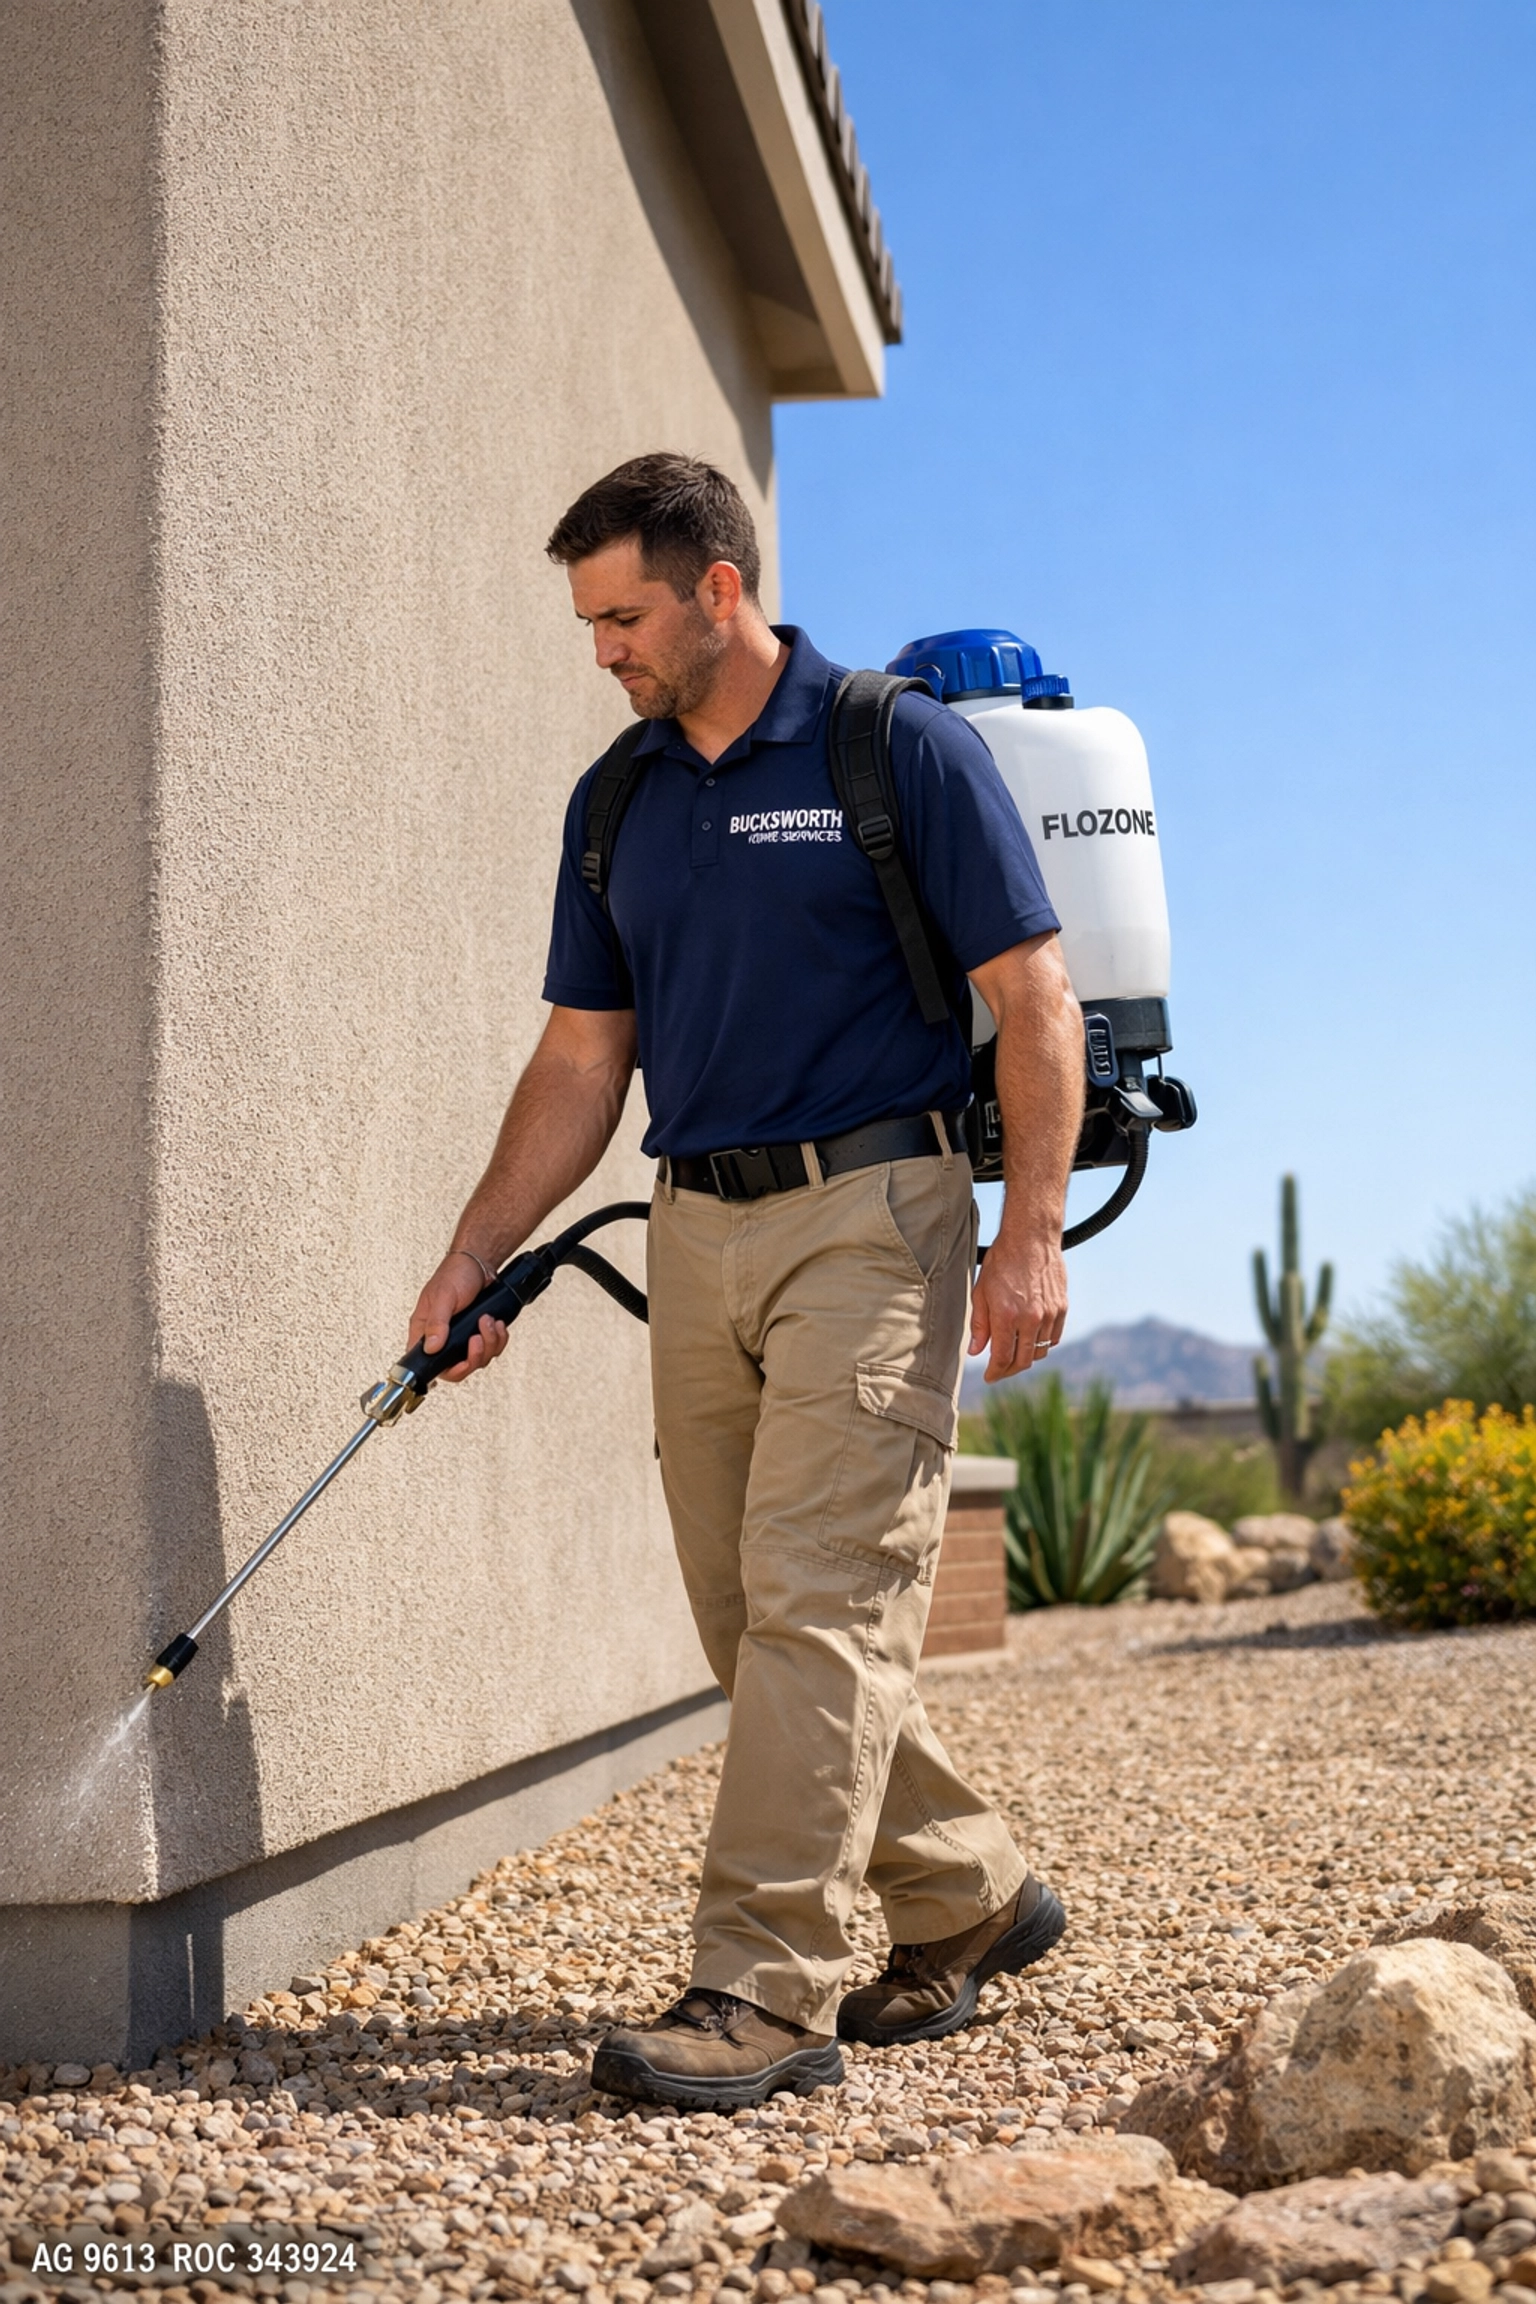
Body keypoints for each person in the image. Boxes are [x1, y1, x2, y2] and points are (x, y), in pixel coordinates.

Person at [408, 453, 1085, 2111]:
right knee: (751, 1616)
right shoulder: (618, 803)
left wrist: (1031, 1229)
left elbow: (1036, 995)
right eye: (588, 623)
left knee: (817, 1598)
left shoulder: (889, 748)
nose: (603, 652)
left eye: (624, 617)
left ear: (721, 587)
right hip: (696, 1227)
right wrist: (474, 1252)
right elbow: (583, 1059)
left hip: (877, 1212)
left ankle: (761, 1990)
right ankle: (968, 1890)